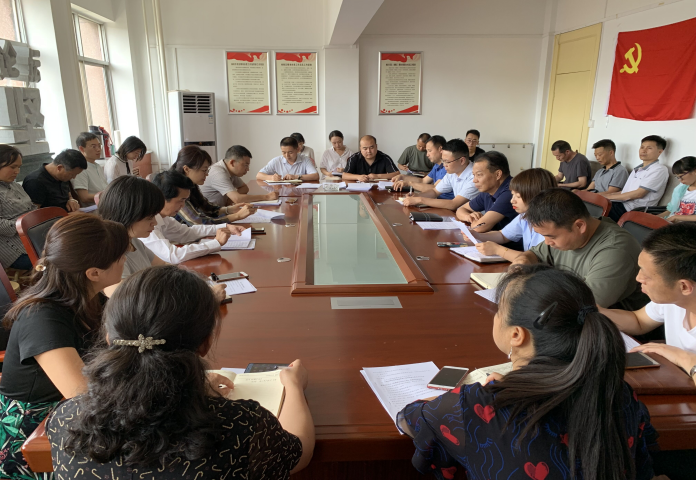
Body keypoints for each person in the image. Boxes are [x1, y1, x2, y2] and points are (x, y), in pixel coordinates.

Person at [47, 265, 315, 479]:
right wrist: (293, 386)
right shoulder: (241, 425)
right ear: (205, 344)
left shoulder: (64, 418)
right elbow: (298, 455)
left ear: (108, 338)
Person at [397, 264, 657, 480]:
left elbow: (410, 419)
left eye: (498, 311)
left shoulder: (480, 404)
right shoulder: (618, 393)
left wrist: (473, 394)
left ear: (516, 335)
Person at [0, 214, 129, 479]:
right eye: (121, 257)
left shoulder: (88, 296)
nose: (125, 262)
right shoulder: (42, 318)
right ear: (94, 273)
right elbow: (81, 394)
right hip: (32, 434)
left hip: (75, 409)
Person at [512, 188, 647, 309]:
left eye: (551, 236)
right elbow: (534, 254)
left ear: (579, 226)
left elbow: (584, 305)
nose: (547, 242)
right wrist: (522, 261)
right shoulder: (566, 235)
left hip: (603, 321)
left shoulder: (616, 251)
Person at [98, 176, 226, 300]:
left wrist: (200, 282)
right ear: (128, 215)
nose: (154, 222)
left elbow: (165, 267)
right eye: (149, 217)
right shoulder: (110, 254)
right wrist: (205, 298)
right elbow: (127, 301)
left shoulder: (134, 242)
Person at [600, 223, 696, 385]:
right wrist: (593, 310)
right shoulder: (674, 299)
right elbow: (639, 321)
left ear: (684, 287)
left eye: (647, 275)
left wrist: (682, 357)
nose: (639, 278)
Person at [145, 170, 245, 264]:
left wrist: (225, 227)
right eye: (181, 200)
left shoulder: (164, 218)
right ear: (162, 197)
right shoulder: (146, 222)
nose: (183, 206)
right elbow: (173, 255)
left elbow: (188, 233)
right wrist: (216, 243)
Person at [469, 168, 557, 261]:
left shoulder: (552, 223)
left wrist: (498, 250)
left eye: (518, 196)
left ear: (536, 196)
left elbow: (537, 259)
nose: (512, 201)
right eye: (512, 195)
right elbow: (503, 235)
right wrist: (477, 236)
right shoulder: (525, 216)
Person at [171, 145, 256, 226]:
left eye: (207, 170)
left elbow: (207, 208)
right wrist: (237, 216)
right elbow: (200, 223)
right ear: (186, 169)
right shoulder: (176, 190)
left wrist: (230, 209)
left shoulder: (191, 185)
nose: (207, 174)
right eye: (204, 170)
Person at [604, 135, 670, 222]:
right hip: (620, 204)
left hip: (632, 210)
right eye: (642, 147)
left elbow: (639, 194)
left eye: (649, 148)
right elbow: (625, 192)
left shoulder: (659, 169)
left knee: (593, 210)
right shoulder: (637, 169)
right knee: (592, 204)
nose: (643, 150)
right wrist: (604, 196)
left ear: (660, 151)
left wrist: (608, 197)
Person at [400, 138, 477, 210]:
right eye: (443, 161)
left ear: (462, 161)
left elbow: (453, 204)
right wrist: (417, 195)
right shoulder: (452, 172)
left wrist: (420, 200)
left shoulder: (475, 177)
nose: (444, 165)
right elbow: (435, 191)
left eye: (447, 162)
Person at [455, 151, 517, 232]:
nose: (474, 180)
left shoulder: (511, 192)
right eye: (474, 175)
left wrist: (476, 223)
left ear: (498, 174)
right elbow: (461, 209)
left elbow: (478, 227)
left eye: (479, 175)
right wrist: (468, 217)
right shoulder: (488, 190)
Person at [201, 145, 279, 206]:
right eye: (245, 165)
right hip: (209, 216)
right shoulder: (218, 173)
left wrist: (230, 199)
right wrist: (267, 197)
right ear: (232, 163)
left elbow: (244, 188)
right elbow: (237, 199)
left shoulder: (230, 171)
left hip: (221, 210)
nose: (247, 169)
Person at [0, 145, 36, 270]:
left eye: (19, 167)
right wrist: (24, 224)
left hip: (32, 237)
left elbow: (31, 207)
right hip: (13, 249)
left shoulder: (15, 186)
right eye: (12, 167)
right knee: (57, 258)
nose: (17, 171)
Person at [72, 132, 108, 205]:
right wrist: (108, 195)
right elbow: (84, 197)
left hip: (105, 203)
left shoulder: (97, 166)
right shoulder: (80, 169)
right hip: (93, 208)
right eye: (93, 147)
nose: (98, 149)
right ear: (82, 149)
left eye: (99, 146)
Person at [659, 156, 696, 223]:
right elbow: (671, 210)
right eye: (677, 177)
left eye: (681, 176)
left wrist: (677, 217)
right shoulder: (680, 189)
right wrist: (656, 217)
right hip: (671, 223)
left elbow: (674, 217)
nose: (680, 180)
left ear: (694, 171)